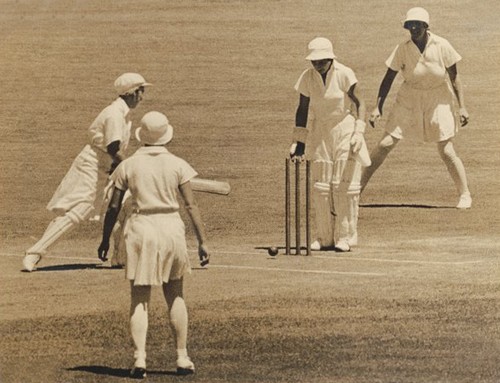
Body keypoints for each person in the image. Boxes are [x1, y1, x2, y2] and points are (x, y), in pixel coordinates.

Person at [97, 111, 210, 379]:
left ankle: (140, 359)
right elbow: (191, 206)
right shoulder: (178, 164)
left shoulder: (128, 165)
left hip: (141, 229)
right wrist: (203, 241)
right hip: (171, 228)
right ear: (166, 135)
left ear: (142, 137)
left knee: (139, 298)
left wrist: (104, 239)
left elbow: (114, 207)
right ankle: (182, 357)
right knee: (176, 295)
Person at [23, 73, 152, 272]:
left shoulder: (122, 113)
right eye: (141, 91)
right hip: (91, 166)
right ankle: (35, 252)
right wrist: (134, 168)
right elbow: (113, 149)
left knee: (127, 202)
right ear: (132, 93)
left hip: (107, 167)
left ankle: (119, 257)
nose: (142, 97)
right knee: (80, 210)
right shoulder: (114, 114)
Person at [361, 7, 471, 209]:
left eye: (417, 25)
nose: (413, 28)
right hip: (409, 97)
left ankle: (465, 194)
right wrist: (377, 107)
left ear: (425, 26)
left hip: (439, 98)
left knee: (446, 150)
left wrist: (462, 107)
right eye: (410, 25)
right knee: (385, 144)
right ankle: (355, 191)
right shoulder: (402, 48)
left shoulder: (442, 45)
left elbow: (454, 76)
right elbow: (388, 79)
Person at [290, 37, 371, 252]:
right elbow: (302, 109)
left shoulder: (344, 73)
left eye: (321, 61)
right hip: (320, 131)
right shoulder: (307, 77)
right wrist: (299, 142)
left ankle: (346, 236)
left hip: (345, 128)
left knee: (343, 185)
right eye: (314, 61)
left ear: (330, 58)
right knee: (321, 187)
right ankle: (324, 237)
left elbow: (360, 103)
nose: (317, 65)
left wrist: (359, 131)